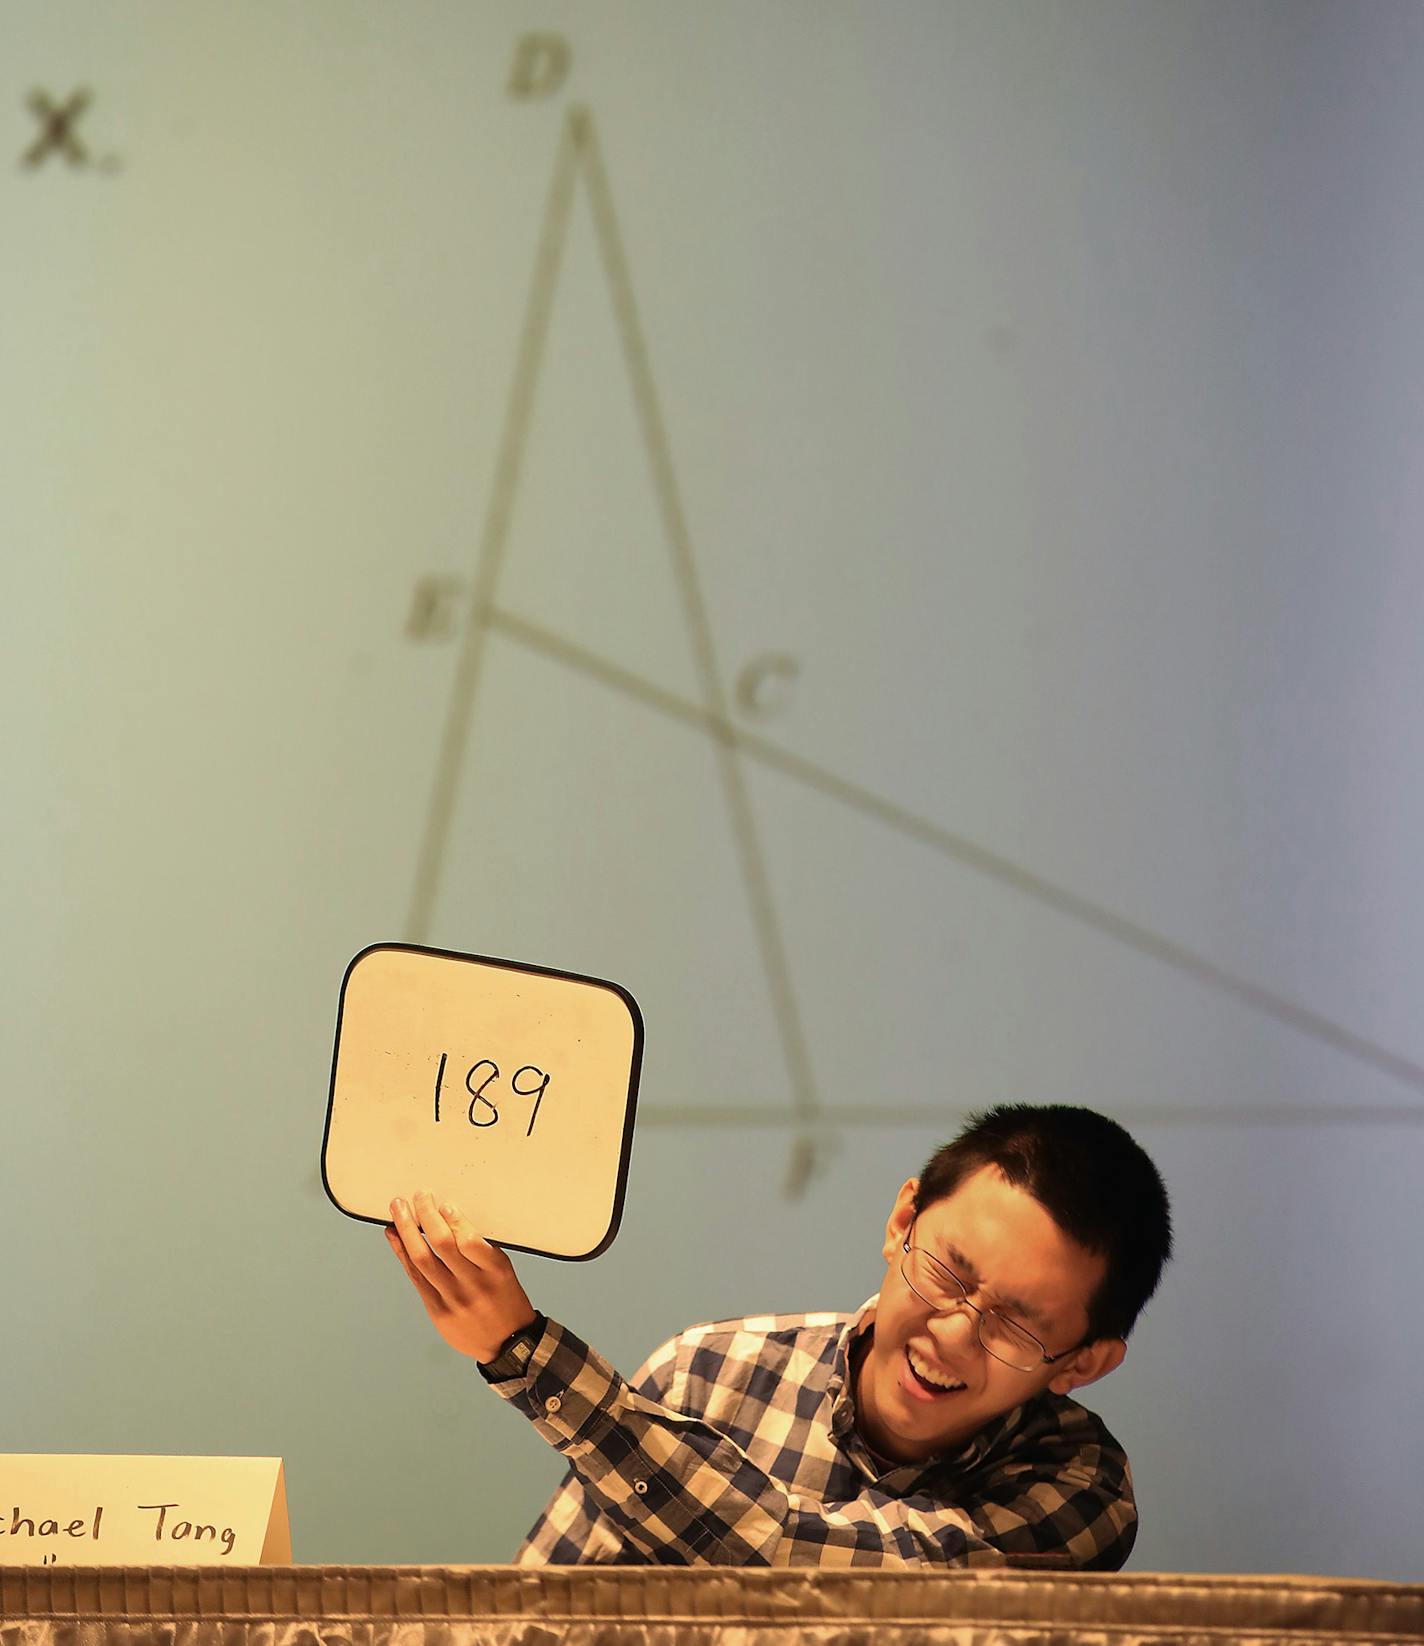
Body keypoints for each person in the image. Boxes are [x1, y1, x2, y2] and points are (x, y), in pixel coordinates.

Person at [385, 1102, 1172, 1569]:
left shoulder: (1080, 1486)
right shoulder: (709, 1375)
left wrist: (523, 1351)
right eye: (949, 1273)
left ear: (1084, 1362)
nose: (956, 1333)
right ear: (903, 1222)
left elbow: (825, 1576)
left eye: (1015, 1323)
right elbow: (536, 1618)